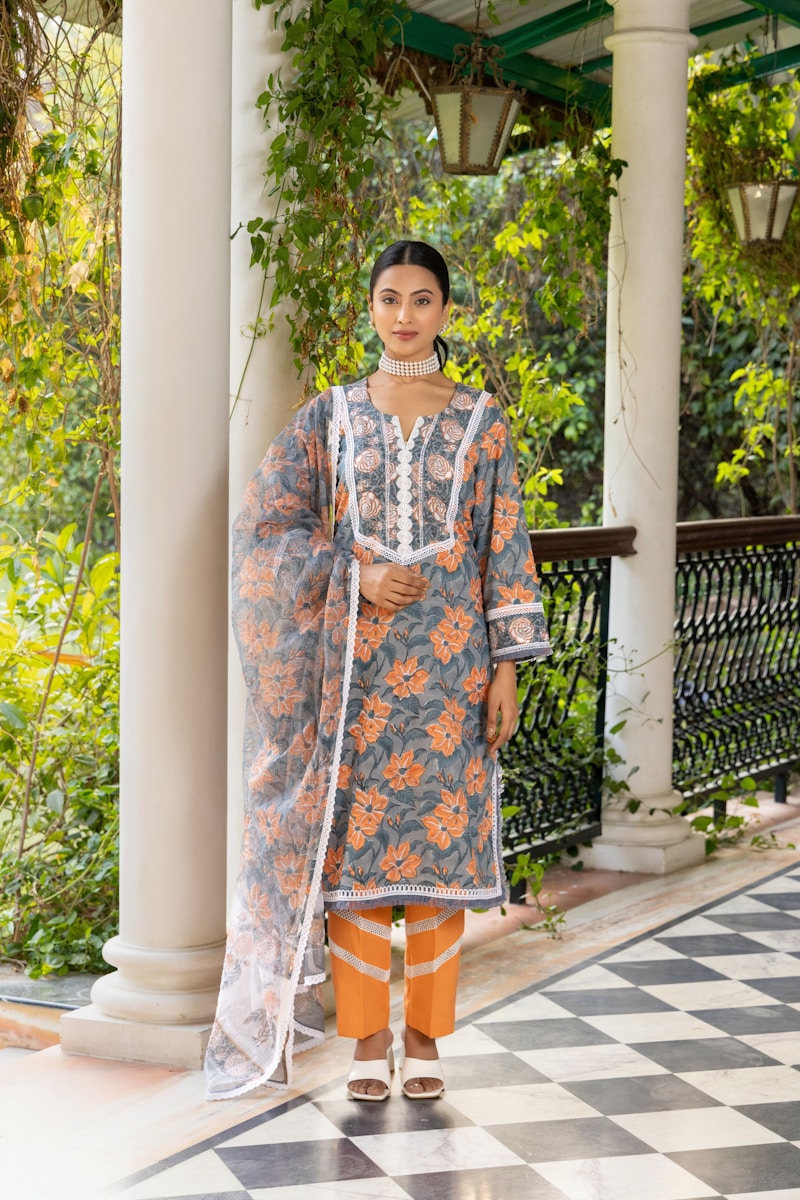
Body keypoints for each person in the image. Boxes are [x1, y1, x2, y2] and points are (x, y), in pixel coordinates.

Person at [204, 240, 551, 1103]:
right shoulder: (331, 416)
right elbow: (264, 527)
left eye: (422, 299)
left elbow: (502, 542)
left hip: (452, 670)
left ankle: (426, 1035)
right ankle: (366, 1042)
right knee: (355, 861)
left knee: (440, 858)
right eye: (390, 298)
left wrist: (507, 669)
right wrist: (350, 574)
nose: (405, 315)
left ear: (444, 312)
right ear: (371, 309)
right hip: (353, 670)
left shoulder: (482, 419)